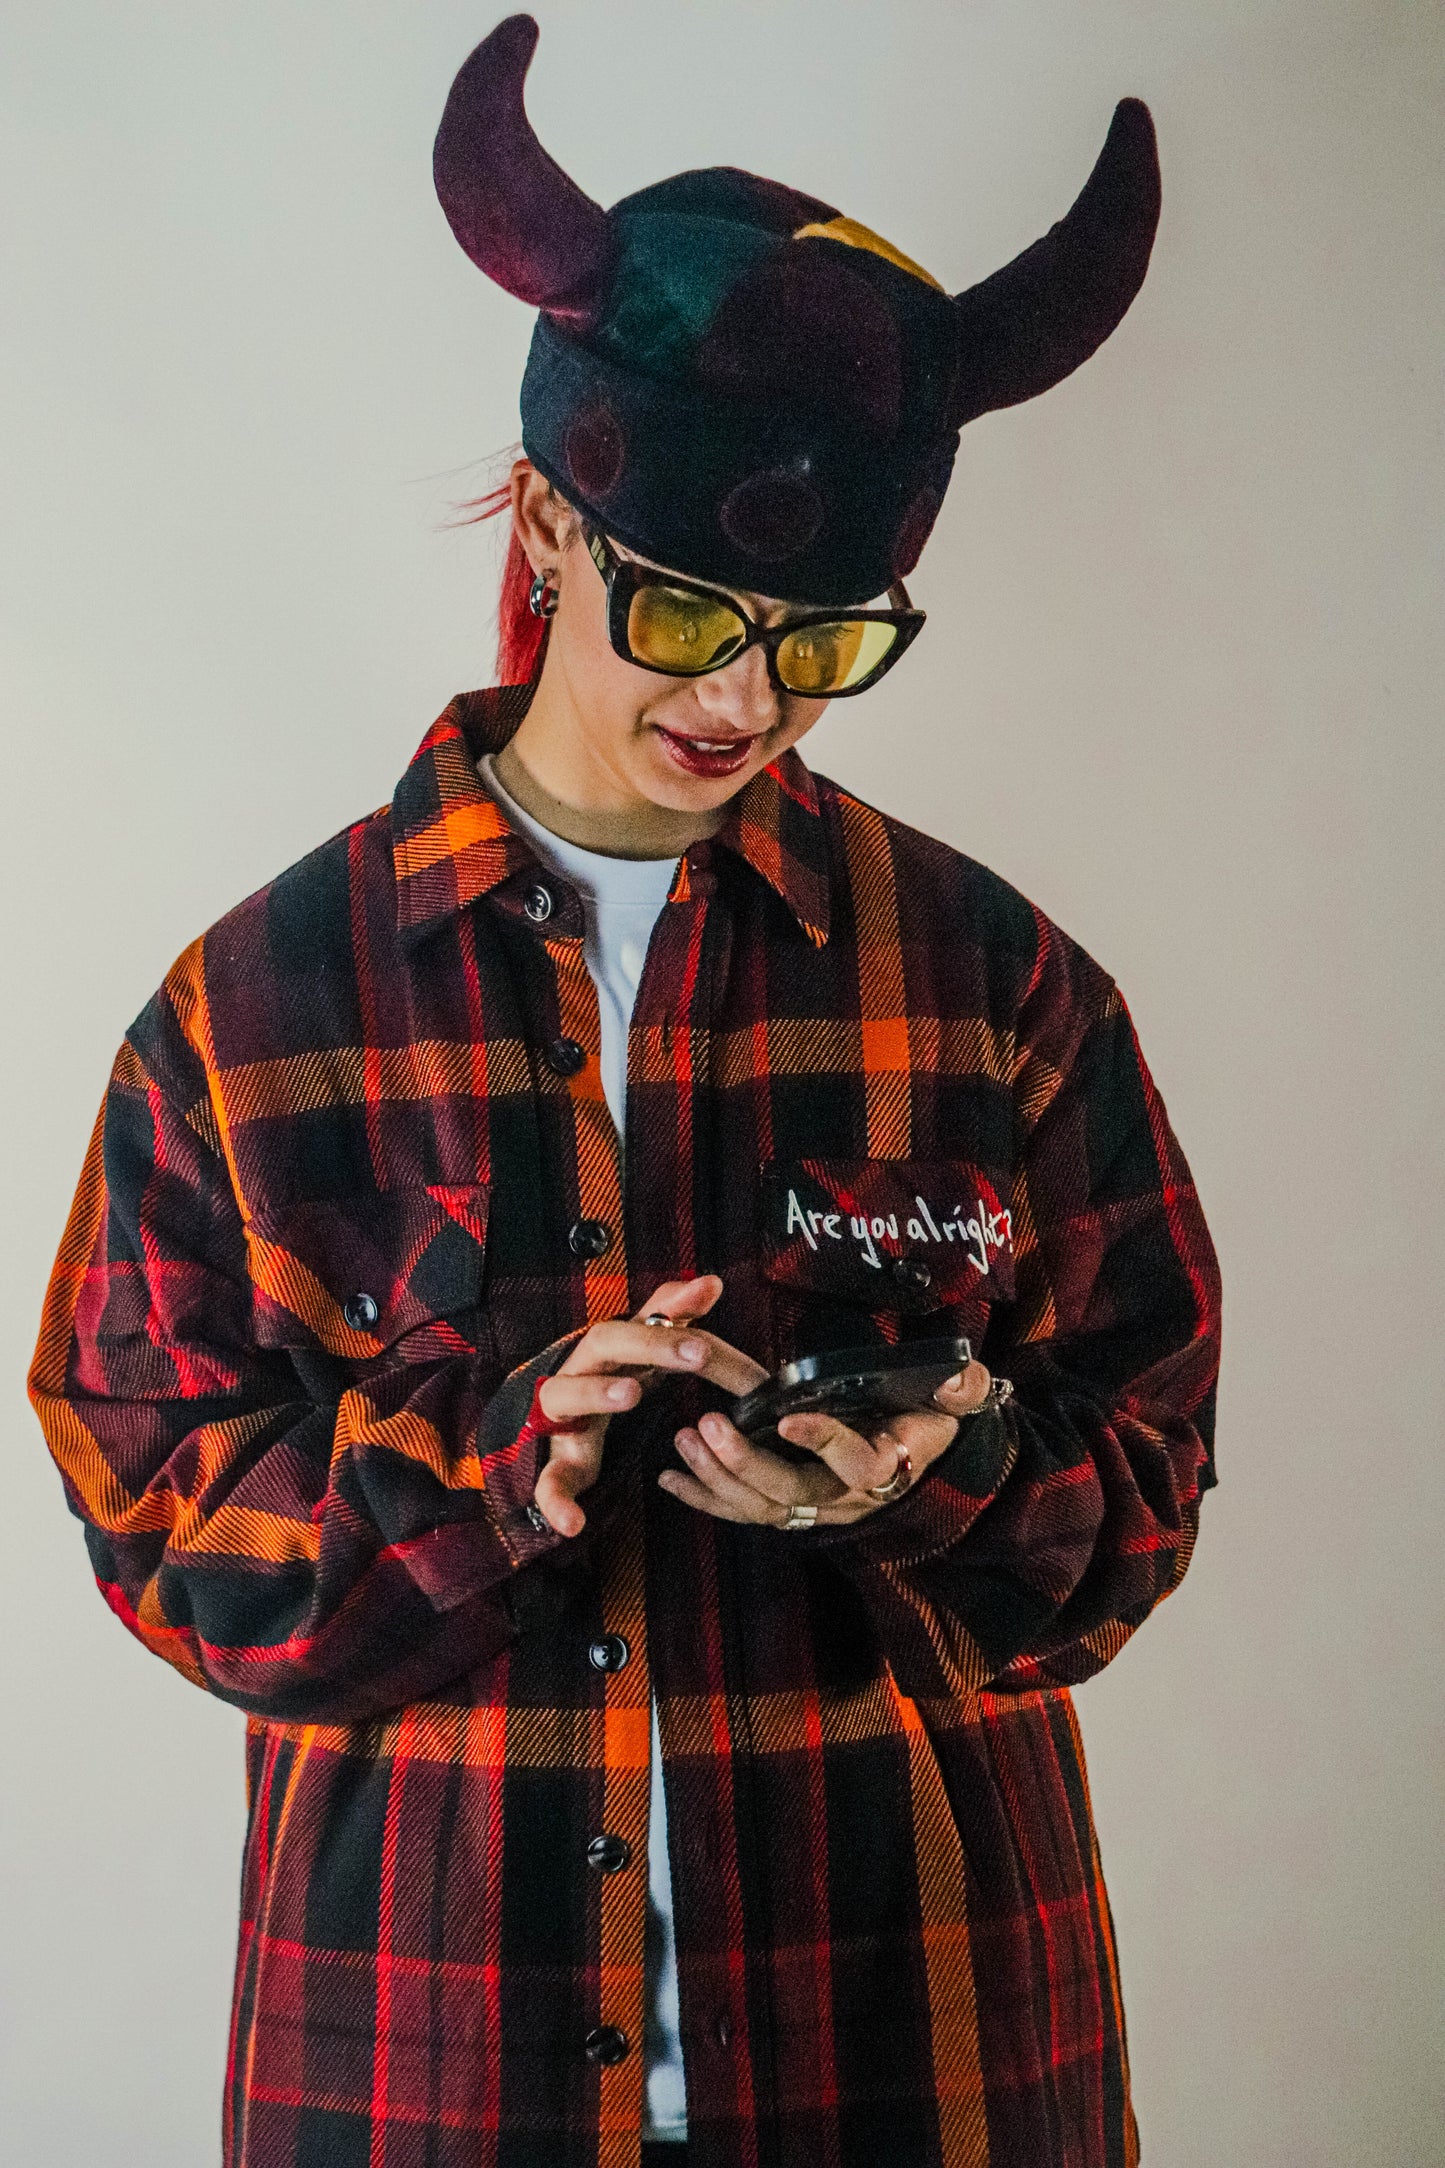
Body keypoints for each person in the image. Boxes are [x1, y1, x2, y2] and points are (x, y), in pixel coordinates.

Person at [28, 16, 1222, 2167]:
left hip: (929, 2074)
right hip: (422, 2077)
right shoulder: (253, 1004)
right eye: (687, 609)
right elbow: (155, 1515)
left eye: (823, 633)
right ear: (559, 526)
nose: (748, 693)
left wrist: (939, 1468)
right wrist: (500, 1472)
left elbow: (1142, 1491)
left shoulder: (998, 985)